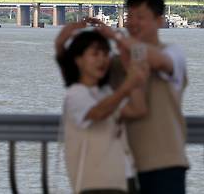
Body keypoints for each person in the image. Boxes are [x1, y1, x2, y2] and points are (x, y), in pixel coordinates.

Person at [97, 0, 189, 194]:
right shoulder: (118, 63)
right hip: (122, 168)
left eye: (140, 17)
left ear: (159, 20)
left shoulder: (173, 53)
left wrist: (118, 38)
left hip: (165, 165)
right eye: (130, 16)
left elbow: (159, 61)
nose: (132, 22)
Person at [55, 22, 149, 194]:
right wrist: (127, 87)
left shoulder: (106, 92)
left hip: (124, 178)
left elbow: (138, 109)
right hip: (96, 183)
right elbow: (97, 113)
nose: (102, 59)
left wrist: (132, 67)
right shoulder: (76, 95)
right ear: (78, 60)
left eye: (106, 53)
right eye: (95, 54)